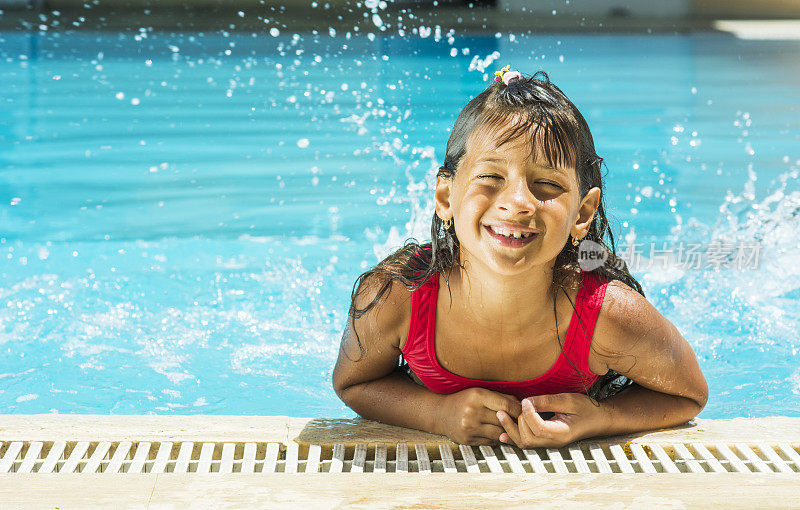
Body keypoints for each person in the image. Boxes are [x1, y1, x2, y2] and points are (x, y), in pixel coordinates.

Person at [331, 68, 708, 448]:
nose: (517, 204)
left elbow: (689, 395)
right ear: (446, 196)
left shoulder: (608, 315)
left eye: (546, 184)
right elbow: (354, 383)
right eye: (491, 177)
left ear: (582, 213)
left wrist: (601, 418)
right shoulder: (399, 297)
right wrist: (437, 414)